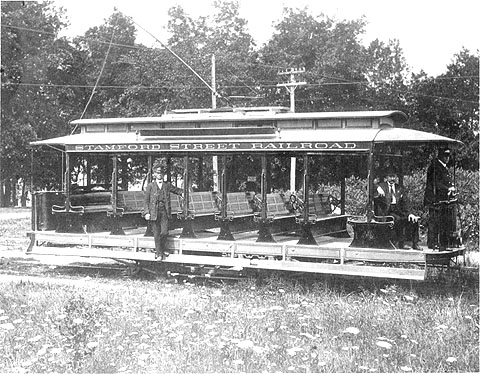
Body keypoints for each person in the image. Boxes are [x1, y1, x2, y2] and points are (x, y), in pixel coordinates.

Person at [143, 164, 183, 260]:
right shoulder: (150, 186)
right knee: (156, 233)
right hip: (153, 212)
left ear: (163, 174)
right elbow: (146, 201)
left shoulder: (167, 185)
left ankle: (161, 249)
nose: (159, 175)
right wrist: (146, 212)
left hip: (164, 211)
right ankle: (159, 253)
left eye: (161, 173)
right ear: (154, 175)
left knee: (164, 232)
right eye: (157, 173)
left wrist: (183, 193)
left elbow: (177, 190)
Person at [374, 168, 420, 250]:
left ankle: (414, 243)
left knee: (413, 220)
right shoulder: (382, 186)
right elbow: (368, 187)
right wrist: (377, 187)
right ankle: (401, 243)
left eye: (394, 176)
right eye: (390, 176)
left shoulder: (399, 188)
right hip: (387, 212)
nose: (392, 179)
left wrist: (410, 213)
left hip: (398, 210)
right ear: (386, 177)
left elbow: (406, 202)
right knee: (397, 219)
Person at [423, 147, 456, 250]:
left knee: (443, 221)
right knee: (434, 221)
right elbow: (435, 183)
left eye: (448, 156)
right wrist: (448, 188)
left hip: (442, 199)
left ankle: (443, 243)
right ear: (440, 155)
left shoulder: (443, 167)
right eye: (445, 155)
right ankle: (432, 243)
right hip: (434, 198)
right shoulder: (435, 167)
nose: (447, 158)